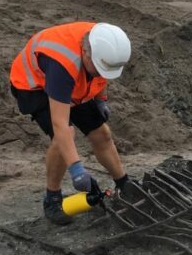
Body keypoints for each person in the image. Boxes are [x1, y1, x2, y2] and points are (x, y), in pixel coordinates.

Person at [10, 21, 133, 225]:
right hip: (34, 85)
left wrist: (100, 99)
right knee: (61, 141)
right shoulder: (62, 65)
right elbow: (61, 126)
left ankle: (124, 184)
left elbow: (102, 73)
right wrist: (76, 170)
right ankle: (52, 199)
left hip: (76, 79)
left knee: (101, 134)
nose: (103, 74)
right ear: (86, 52)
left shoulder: (107, 41)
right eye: (100, 68)